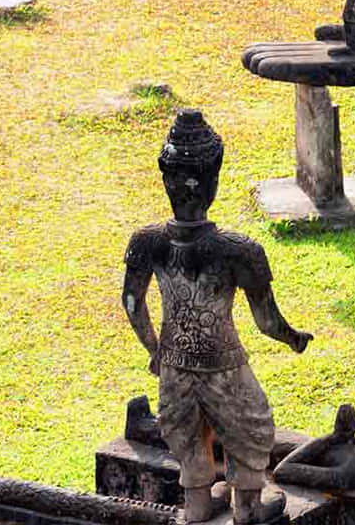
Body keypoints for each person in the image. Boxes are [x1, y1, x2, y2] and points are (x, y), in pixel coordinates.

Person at [121, 111, 312, 525]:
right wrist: (293, 337)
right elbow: (267, 322)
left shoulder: (147, 242)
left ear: (168, 180)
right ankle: (247, 507)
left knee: (187, 438)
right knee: (250, 429)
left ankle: (198, 507)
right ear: (211, 182)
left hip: (174, 364)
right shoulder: (238, 251)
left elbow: (132, 303)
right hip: (223, 364)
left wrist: (156, 349)